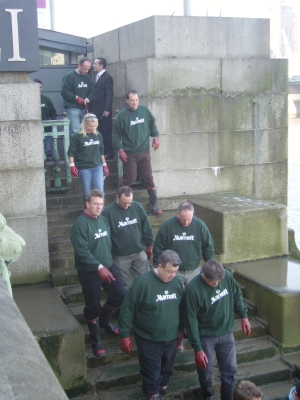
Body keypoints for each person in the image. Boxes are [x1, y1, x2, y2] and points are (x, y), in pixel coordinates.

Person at [118, 250, 184, 400]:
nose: (172, 275)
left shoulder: (176, 282)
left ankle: (161, 388)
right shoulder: (142, 283)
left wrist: (181, 329)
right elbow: (127, 309)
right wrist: (124, 335)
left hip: (171, 337)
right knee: (151, 374)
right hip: (148, 339)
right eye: (169, 271)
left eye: (175, 271)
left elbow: (182, 308)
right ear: (159, 266)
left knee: (166, 371)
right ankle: (152, 394)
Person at [185, 259, 252, 400]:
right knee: (205, 372)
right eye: (213, 283)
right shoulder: (192, 289)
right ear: (204, 275)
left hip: (226, 332)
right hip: (205, 336)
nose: (216, 285)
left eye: (218, 282)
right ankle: (207, 395)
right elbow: (190, 320)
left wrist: (244, 315)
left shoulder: (226, 276)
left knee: (230, 371)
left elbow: (236, 295)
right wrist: (197, 348)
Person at [70, 189, 126, 357]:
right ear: (87, 204)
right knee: (93, 305)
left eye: (101, 204)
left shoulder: (103, 220)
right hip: (89, 272)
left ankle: (105, 321)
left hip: (108, 266)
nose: (98, 207)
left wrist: (107, 263)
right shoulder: (79, 225)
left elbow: (107, 243)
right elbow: (82, 252)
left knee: (119, 294)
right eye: (95, 204)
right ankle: (96, 341)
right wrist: (98, 266)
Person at [112, 90, 163, 216]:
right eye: (132, 100)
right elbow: (115, 135)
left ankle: (154, 204)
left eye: (136, 100)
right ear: (127, 101)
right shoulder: (122, 116)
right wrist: (120, 149)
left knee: (149, 178)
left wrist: (155, 136)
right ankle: (119, 198)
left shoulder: (144, 111)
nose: (134, 102)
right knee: (130, 177)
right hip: (130, 152)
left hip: (144, 151)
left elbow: (152, 124)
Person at [102, 186, 153, 292]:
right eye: (124, 202)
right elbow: (105, 237)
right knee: (125, 285)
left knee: (145, 281)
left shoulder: (137, 207)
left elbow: (146, 226)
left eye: (129, 202)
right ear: (117, 197)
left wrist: (149, 244)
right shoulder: (108, 212)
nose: (127, 205)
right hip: (120, 255)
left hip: (138, 251)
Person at [153, 201, 214, 286]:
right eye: (183, 219)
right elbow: (158, 247)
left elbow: (208, 247)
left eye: (189, 219)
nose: (186, 222)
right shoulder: (167, 225)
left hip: (194, 271)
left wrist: (210, 267)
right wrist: (157, 267)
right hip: (173, 271)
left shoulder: (200, 225)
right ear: (178, 213)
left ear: (193, 213)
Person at [67, 113, 109, 205]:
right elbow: (71, 151)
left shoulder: (98, 135)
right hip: (84, 167)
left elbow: (101, 151)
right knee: (87, 192)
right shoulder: (78, 136)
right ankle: (88, 210)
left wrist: (104, 164)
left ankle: (100, 212)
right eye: (90, 126)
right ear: (85, 124)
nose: (92, 128)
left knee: (100, 191)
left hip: (97, 165)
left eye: (94, 126)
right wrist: (72, 164)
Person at [61, 57, 94, 136]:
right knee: (75, 132)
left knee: (86, 131)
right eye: (84, 68)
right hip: (72, 108)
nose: (86, 71)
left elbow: (91, 91)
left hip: (84, 108)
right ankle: (76, 148)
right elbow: (64, 91)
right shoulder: (70, 76)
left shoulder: (87, 77)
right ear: (79, 65)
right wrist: (75, 97)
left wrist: (88, 98)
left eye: (88, 69)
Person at [91, 57, 114, 159]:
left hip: (104, 111)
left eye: (96, 64)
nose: (93, 65)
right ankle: (102, 151)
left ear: (101, 65)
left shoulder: (107, 77)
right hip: (96, 110)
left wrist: (107, 109)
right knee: (99, 130)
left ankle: (109, 152)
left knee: (106, 131)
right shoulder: (96, 77)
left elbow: (109, 94)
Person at [33, 79, 57, 161]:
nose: (39, 89)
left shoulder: (46, 99)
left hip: (46, 129)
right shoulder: (27, 100)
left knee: (48, 150)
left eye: (40, 87)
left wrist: (52, 122)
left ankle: (49, 165)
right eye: (37, 87)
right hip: (33, 129)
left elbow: (53, 112)